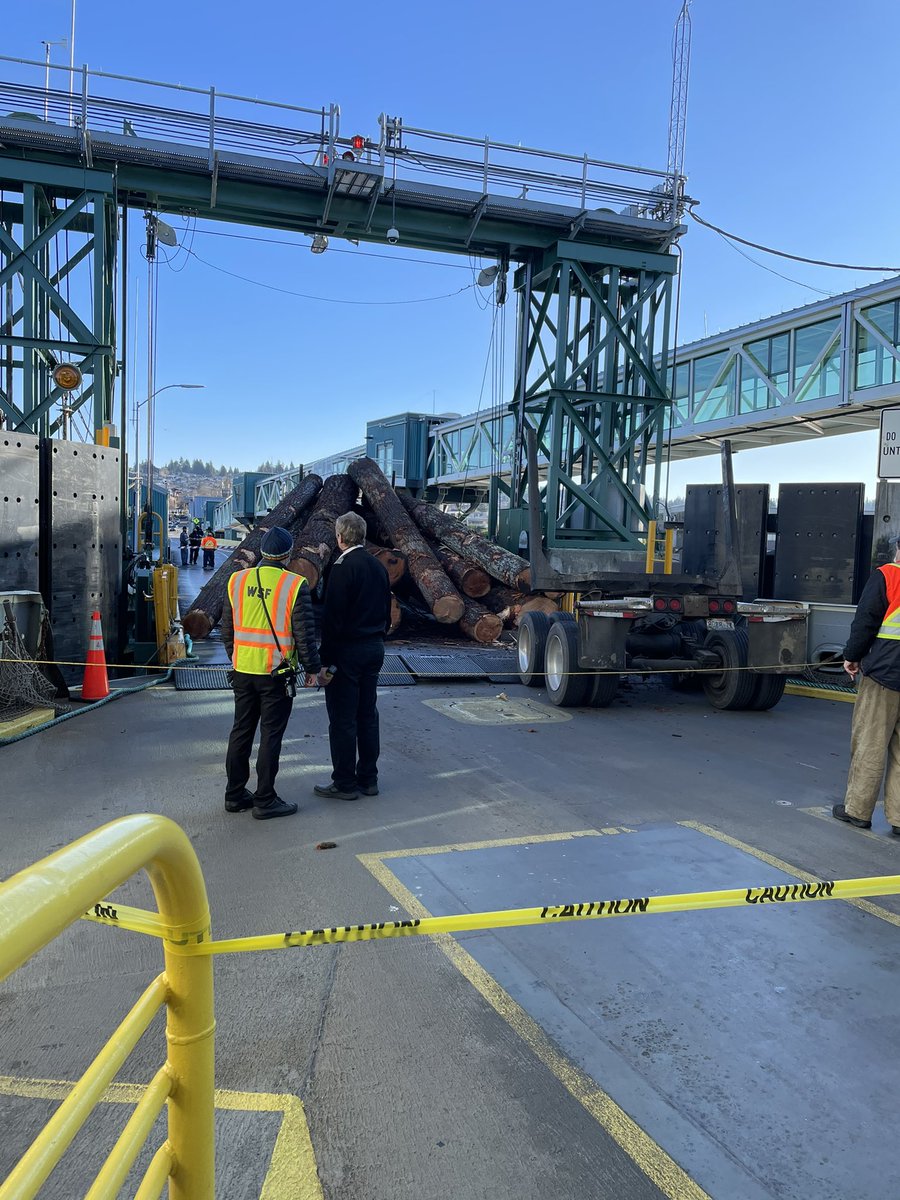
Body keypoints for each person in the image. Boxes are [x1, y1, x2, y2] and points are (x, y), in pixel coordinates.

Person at [220, 526, 321, 819]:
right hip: (276, 673)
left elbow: (228, 629)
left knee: (241, 731)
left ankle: (235, 794)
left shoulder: (236, 581)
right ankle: (265, 799)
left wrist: (237, 657)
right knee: (270, 736)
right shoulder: (294, 585)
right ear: (287, 555)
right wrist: (312, 669)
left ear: (261, 552)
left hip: (242, 670)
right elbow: (304, 633)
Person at [314, 511, 392, 801]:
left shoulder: (342, 567)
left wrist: (325, 662)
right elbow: (386, 611)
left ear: (339, 537)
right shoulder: (378, 566)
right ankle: (368, 778)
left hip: (348, 651)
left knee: (343, 718)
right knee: (367, 714)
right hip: (374, 647)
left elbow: (332, 620)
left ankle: (344, 782)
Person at [833, 536, 900, 836]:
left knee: (870, 744)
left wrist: (852, 657)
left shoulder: (887, 575)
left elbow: (865, 623)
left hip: (884, 675)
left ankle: (858, 811)